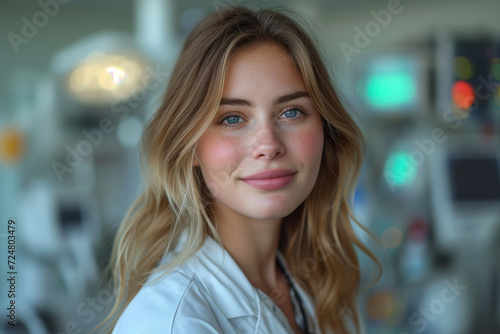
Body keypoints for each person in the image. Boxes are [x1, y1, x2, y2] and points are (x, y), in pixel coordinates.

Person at [99, 5, 381, 334]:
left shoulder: (313, 284)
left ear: (325, 130)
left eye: (291, 112)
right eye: (232, 118)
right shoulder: (172, 321)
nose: (268, 144)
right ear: (189, 148)